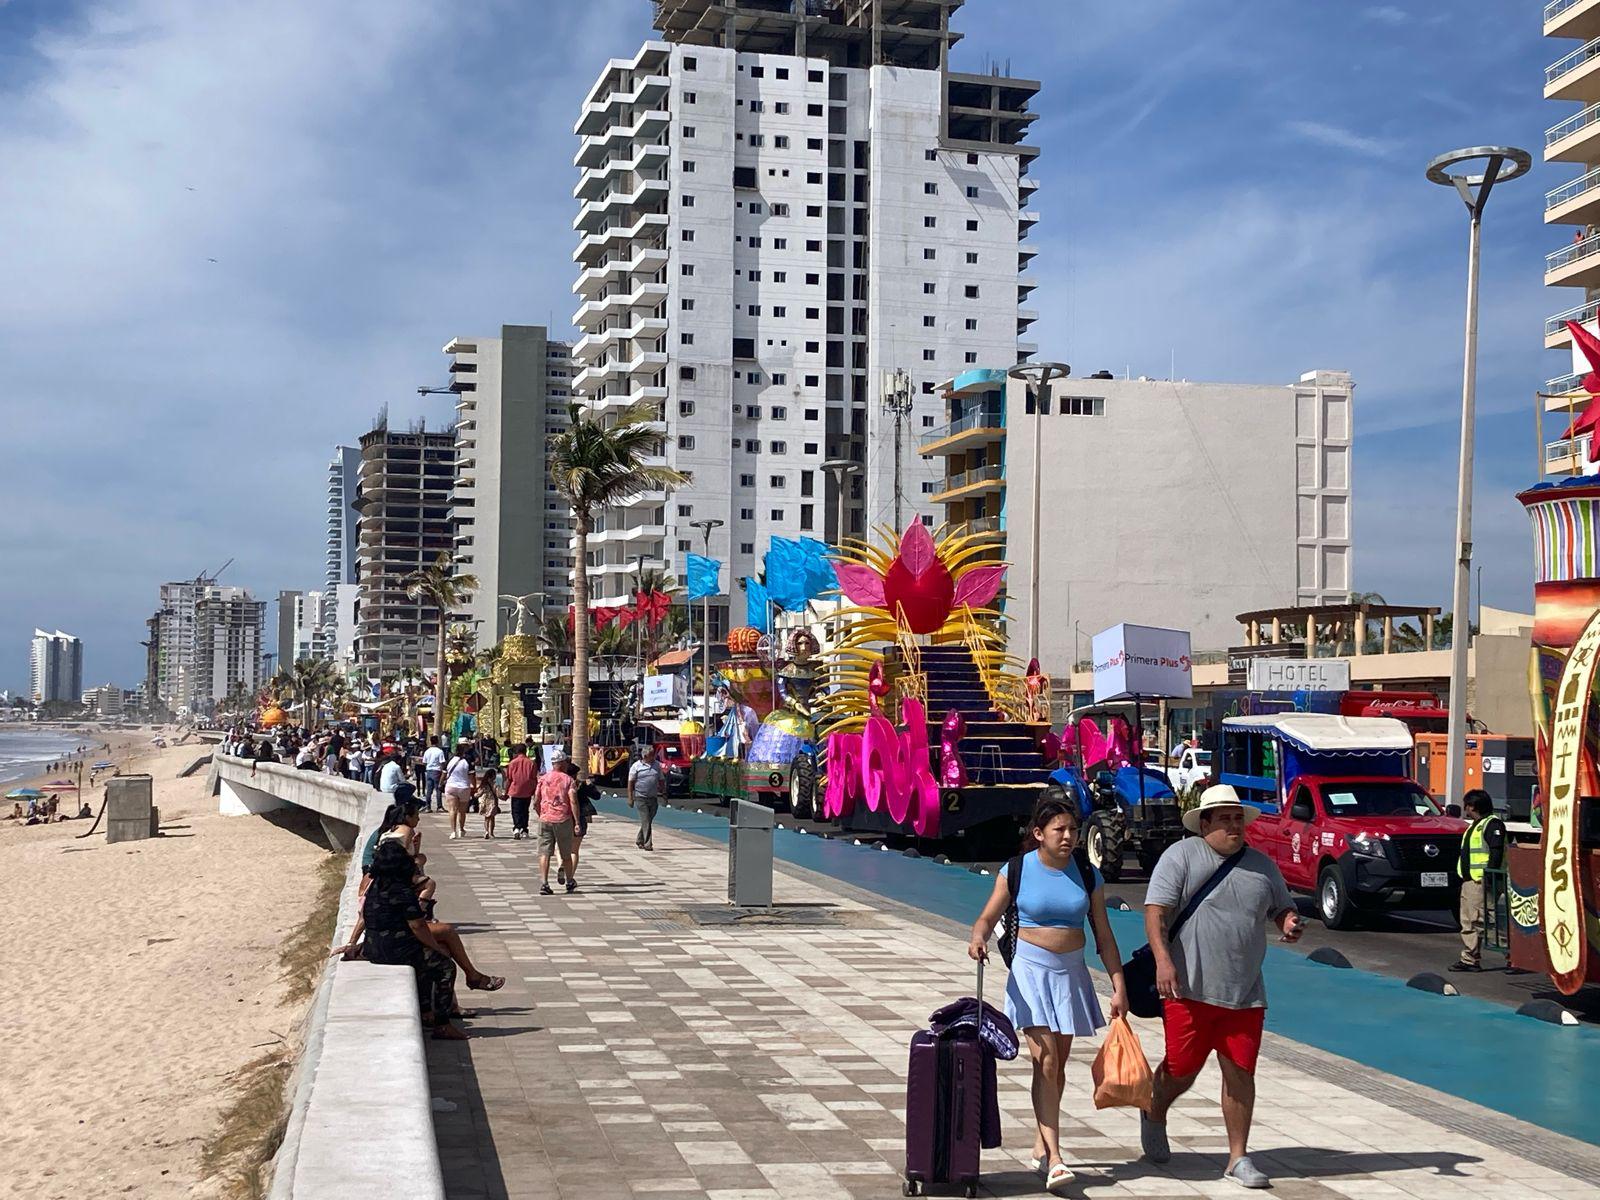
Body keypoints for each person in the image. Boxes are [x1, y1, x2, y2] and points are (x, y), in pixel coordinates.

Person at [1140, 784, 1302, 1191]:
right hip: (1187, 990)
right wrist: (1163, 961)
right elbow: (1156, 912)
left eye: (1238, 819)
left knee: (1241, 1073)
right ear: (1205, 823)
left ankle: (1238, 1157)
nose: (1234, 825)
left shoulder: (1262, 867)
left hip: (1245, 993)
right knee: (1181, 1070)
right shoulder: (1180, 857)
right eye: (1225, 818)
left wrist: (1287, 922)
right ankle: (1155, 1111)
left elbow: (1282, 906)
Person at [968, 788, 1126, 1193]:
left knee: (1056, 1067)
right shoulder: (1017, 869)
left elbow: (1104, 936)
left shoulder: (1087, 874)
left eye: (1073, 829)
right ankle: (1056, 1158)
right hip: (1031, 972)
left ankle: (1041, 1146)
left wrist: (1118, 985)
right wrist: (978, 938)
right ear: (1039, 833)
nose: (1068, 836)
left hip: (1071, 973)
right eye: (1059, 829)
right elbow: (987, 917)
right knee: (1048, 1060)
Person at [355, 840, 466, 1039]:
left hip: (374, 948)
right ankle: (443, 1024)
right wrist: (435, 948)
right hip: (395, 950)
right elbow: (418, 926)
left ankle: (426, 1011)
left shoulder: (376, 885)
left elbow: (364, 917)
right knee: (445, 966)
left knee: (425, 961)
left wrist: (352, 943)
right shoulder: (402, 891)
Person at [1451, 788, 1506, 974]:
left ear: (1473, 806)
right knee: (1468, 921)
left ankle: (1513, 955)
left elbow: (1496, 852)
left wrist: (1489, 878)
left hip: (1481, 881)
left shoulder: (1492, 824)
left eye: (1466, 805)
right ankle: (1469, 958)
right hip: (1469, 881)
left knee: (1486, 921)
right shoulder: (1475, 825)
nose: (1465, 809)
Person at [535, 752, 578, 895]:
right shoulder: (568, 780)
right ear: (562, 762)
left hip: (545, 818)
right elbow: (572, 800)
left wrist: (540, 813)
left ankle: (544, 883)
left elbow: (536, 800)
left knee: (544, 852)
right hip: (562, 819)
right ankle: (570, 881)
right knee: (566, 852)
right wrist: (576, 821)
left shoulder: (543, 779)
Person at [628, 743, 664, 851]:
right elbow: (630, 783)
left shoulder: (657, 765)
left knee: (648, 820)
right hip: (640, 798)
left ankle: (640, 839)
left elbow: (661, 779)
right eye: (651, 755)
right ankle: (648, 844)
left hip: (653, 797)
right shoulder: (636, 767)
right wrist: (630, 798)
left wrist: (664, 792)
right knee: (646, 820)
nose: (653, 757)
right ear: (644, 756)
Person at [504, 743, 538, 841]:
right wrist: (535, 792)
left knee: (516, 810)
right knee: (525, 810)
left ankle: (517, 827)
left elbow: (509, 779)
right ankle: (524, 829)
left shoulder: (512, 763)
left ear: (516, 752)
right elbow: (534, 778)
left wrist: (506, 792)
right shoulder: (531, 763)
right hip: (527, 791)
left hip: (515, 790)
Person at [443, 743, 475, 840]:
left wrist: (440, 783)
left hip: (451, 786)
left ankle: (453, 831)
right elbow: (471, 776)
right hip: (464, 787)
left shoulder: (449, 760)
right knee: (462, 811)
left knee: (452, 810)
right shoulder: (467, 761)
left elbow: (443, 774)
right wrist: (473, 786)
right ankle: (461, 829)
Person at [422, 736, 446, 813]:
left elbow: (424, 762)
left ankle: (428, 807)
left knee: (429, 790)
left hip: (429, 771)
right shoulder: (439, 751)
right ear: (437, 742)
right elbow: (442, 762)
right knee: (438, 789)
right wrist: (443, 771)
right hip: (437, 771)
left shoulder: (427, 751)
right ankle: (439, 806)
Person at [478, 763, 502, 839]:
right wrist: (504, 797)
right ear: (493, 776)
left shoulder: (484, 784)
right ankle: (491, 833)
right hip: (493, 803)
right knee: (492, 818)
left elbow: (479, 793)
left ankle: (486, 831)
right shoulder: (495, 785)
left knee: (486, 818)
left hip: (485, 802)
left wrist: (475, 795)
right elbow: (498, 794)